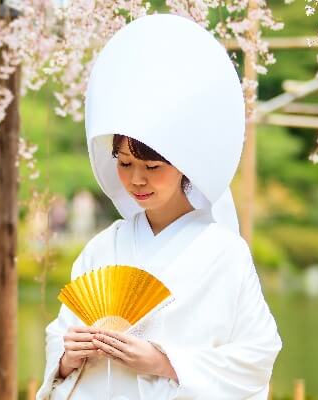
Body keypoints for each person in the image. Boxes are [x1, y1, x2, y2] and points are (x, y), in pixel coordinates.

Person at [35, 14, 282, 400]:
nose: (136, 180)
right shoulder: (102, 248)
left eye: (152, 167)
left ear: (185, 163)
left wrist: (164, 361)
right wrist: (68, 356)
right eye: (124, 163)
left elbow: (257, 357)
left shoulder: (224, 254)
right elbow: (61, 334)